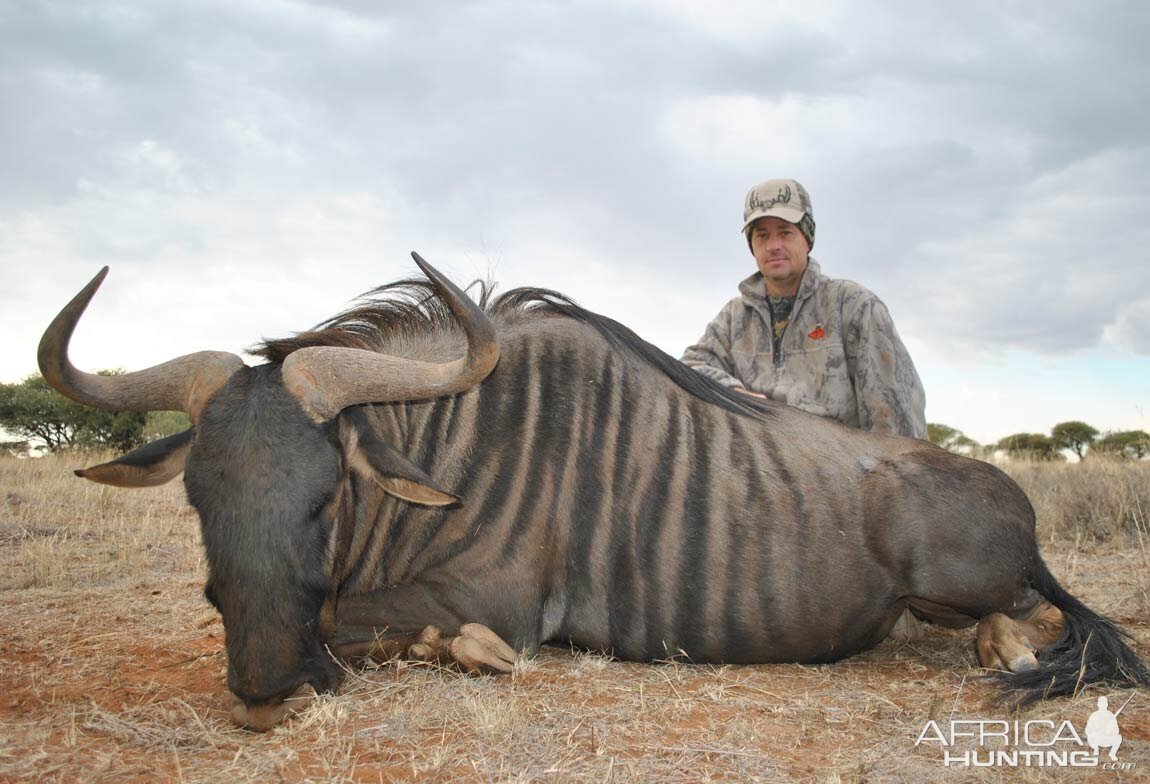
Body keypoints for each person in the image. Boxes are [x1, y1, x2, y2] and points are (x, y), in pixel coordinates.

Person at [682, 178, 926, 439]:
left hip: (841, 470)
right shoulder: (734, 318)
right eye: (762, 235)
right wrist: (737, 394)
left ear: (807, 238)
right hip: (759, 470)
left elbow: (896, 425)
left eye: (785, 232)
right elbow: (690, 367)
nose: (773, 245)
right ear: (752, 247)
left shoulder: (854, 306)